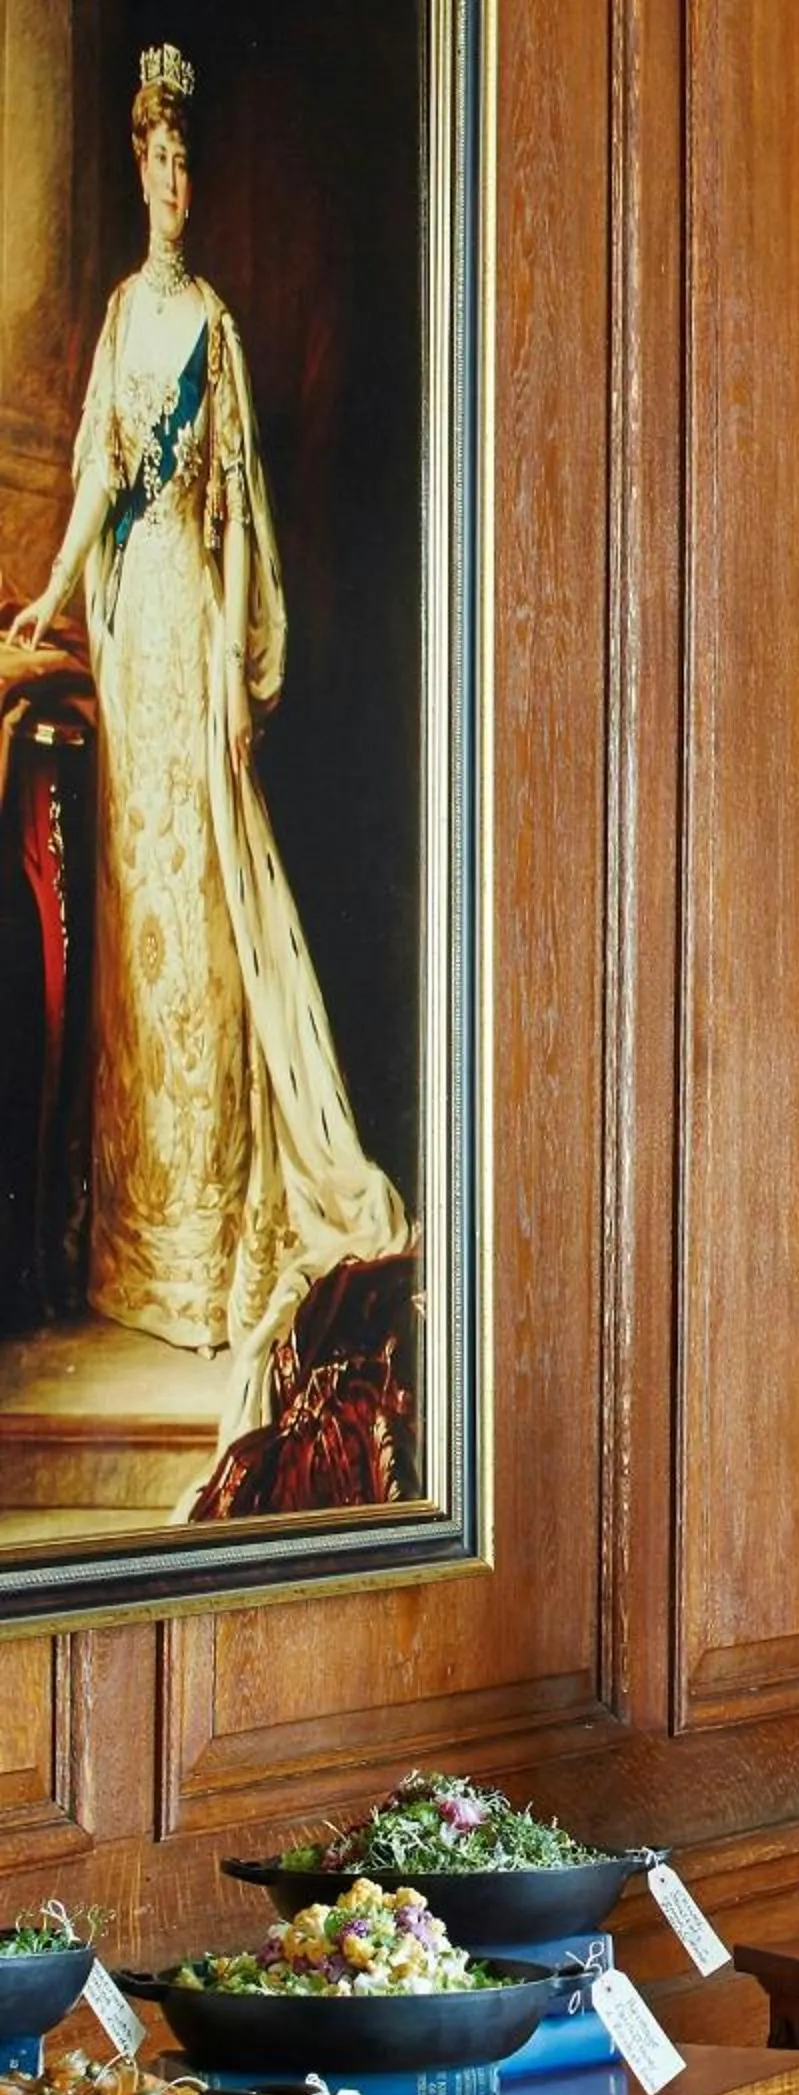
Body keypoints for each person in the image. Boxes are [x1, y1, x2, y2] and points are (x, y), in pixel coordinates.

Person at [15, 42, 407, 1474]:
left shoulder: (222, 330)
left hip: (194, 622)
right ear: (134, 171)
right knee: (142, 931)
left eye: (190, 163)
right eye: (158, 163)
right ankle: (141, 1252)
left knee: (205, 913)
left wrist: (253, 654)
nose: (176, 184)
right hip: (128, 630)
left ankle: (218, 1236)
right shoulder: (125, 318)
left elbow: (236, 512)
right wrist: (57, 604)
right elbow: (91, 489)